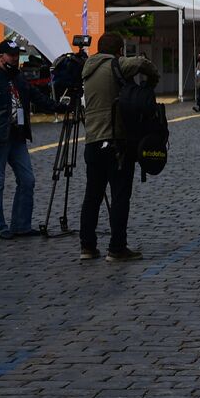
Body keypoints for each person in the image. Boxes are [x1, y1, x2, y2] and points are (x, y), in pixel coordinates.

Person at [78, 32, 160, 262]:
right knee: (120, 195)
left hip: (92, 140)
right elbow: (143, 63)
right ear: (119, 51)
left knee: (92, 195)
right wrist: (152, 82)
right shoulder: (116, 64)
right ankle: (117, 248)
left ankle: (87, 246)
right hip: (115, 141)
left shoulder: (88, 69)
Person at [0, 40, 63, 239]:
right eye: (11, 55)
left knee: (27, 180)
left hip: (18, 137)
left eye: (17, 55)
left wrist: (61, 107)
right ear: (0, 56)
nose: (15, 58)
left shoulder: (19, 78)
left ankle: (21, 225)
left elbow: (38, 98)